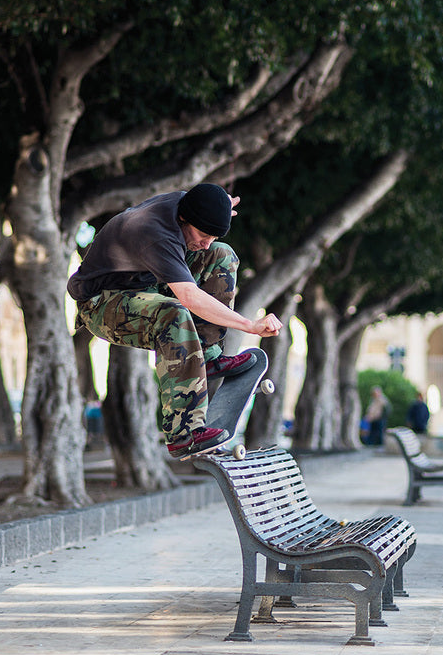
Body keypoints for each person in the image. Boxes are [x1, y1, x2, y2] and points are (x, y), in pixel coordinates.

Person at [67, 184, 282, 457]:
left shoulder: (187, 204)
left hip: (145, 284)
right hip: (102, 303)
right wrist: (250, 326)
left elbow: (203, 204)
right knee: (173, 313)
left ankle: (207, 354)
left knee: (221, 255)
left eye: (211, 234)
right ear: (183, 219)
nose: (205, 242)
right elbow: (190, 298)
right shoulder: (156, 234)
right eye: (203, 234)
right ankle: (184, 432)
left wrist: (220, 204)